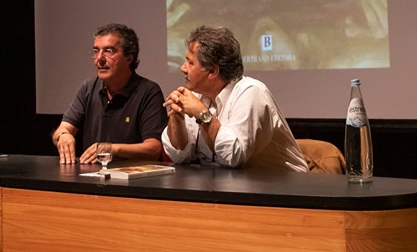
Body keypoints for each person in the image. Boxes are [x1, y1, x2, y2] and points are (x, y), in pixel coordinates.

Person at [162, 26, 308, 171]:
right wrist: (177, 118)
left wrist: (202, 114)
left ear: (212, 71)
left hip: (282, 182)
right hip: (230, 182)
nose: (183, 68)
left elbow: (233, 156)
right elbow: (179, 156)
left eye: (190, 63)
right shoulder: (196, 96)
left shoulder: (251, 92)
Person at [52, 23, 168, 164]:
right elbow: (62, 129)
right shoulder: (88, 88)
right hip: (92, 173)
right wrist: (63, 136)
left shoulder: (148, 91)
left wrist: (111, 149)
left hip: (131, 174)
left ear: (129, 57)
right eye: (96, 51)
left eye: (108, 51)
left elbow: (154, 149)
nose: (99, 58)